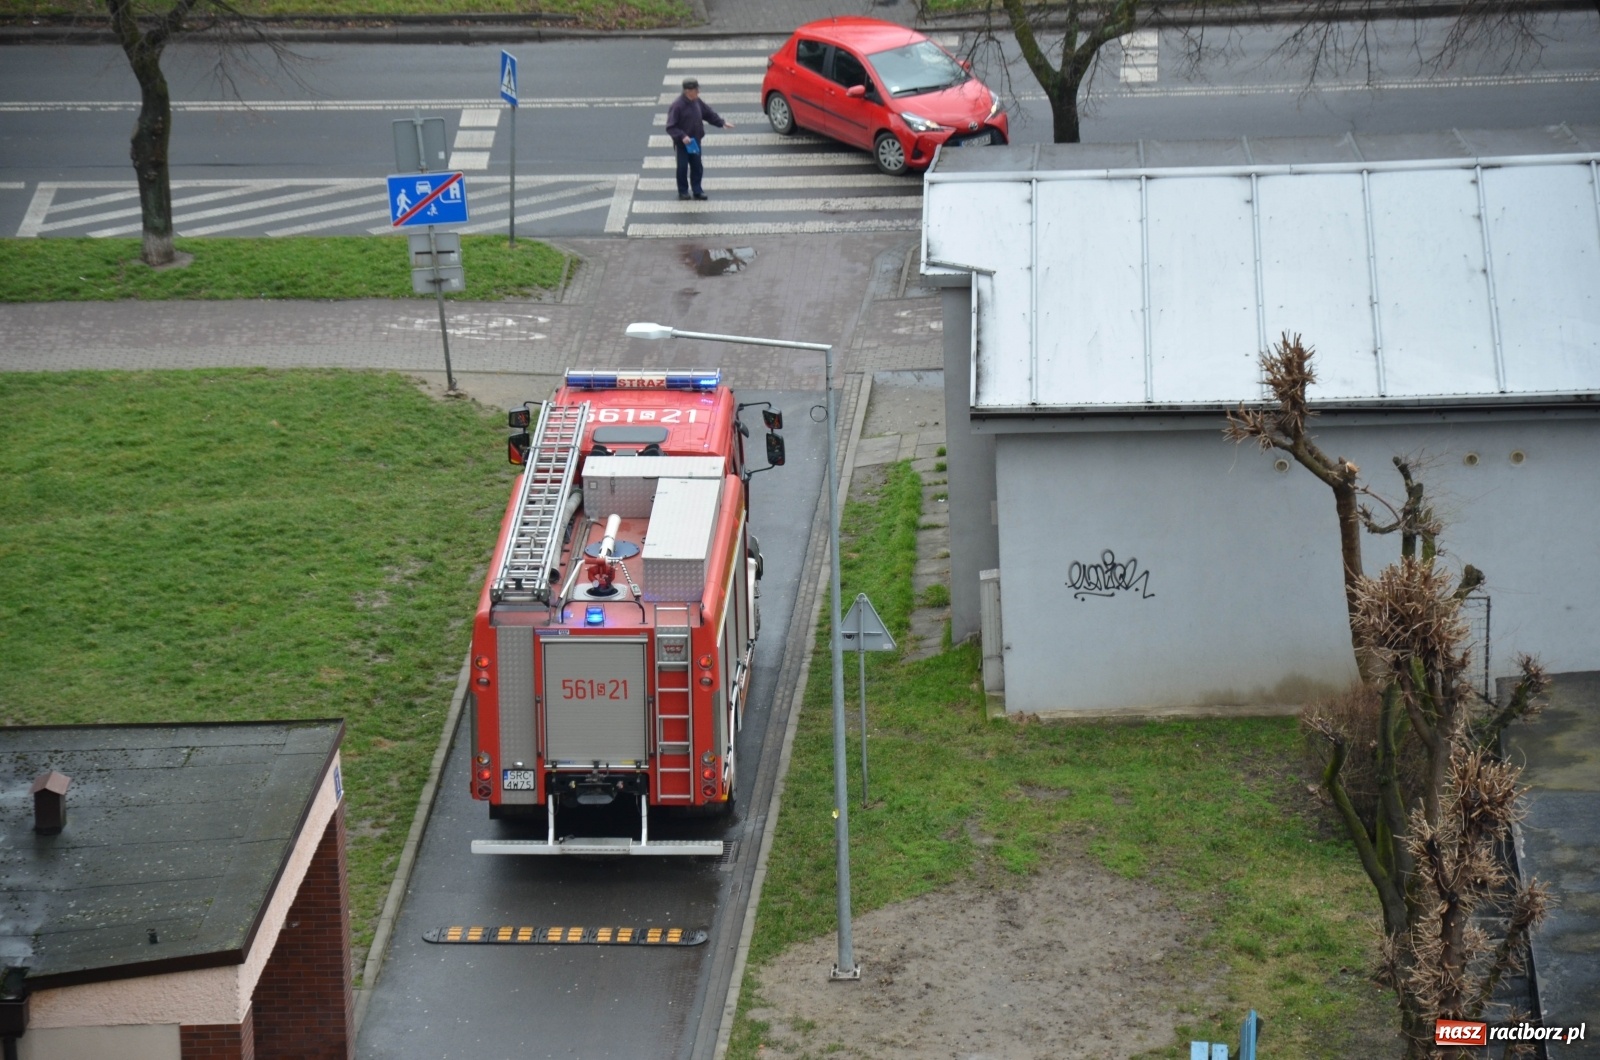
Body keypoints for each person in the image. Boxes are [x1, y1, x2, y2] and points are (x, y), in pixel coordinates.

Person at [665, 77, 734, 201]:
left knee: (697, 166)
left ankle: (697, 190)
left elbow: (708, 114)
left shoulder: (697, 101)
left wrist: (721, 123)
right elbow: (671, 127)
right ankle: (683, 191)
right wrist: (682, 136)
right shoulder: (677, 106)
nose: (698, 92)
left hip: (695, 142)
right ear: (687, 91)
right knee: (682, 168)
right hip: (683, 144)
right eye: (696, 90)